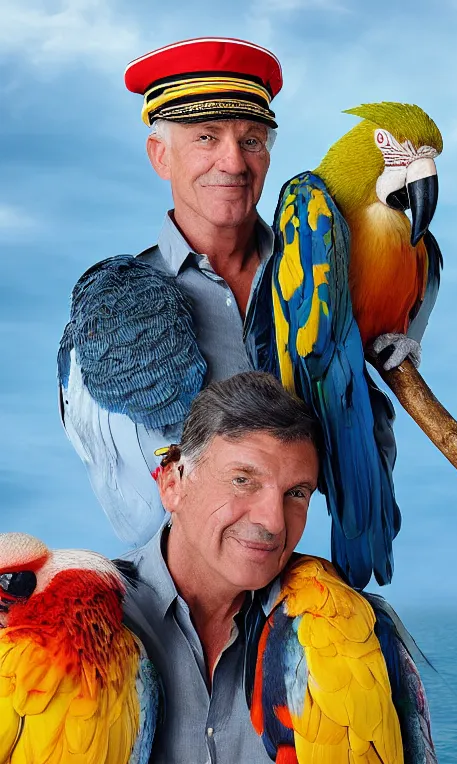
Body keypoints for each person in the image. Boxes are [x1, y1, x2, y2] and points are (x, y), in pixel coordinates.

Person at [121, 370, 437, 764]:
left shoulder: (359, 633)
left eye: (296, 493)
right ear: (173, 484)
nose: (273, 522)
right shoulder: (66, 618)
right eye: (243, 480)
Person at [57, 38, 287, 547]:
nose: (233, 162)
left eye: (251, 140)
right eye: (206, 137)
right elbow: (132, 500)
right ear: (160, 155)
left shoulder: (315, 280)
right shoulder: (118, 307)